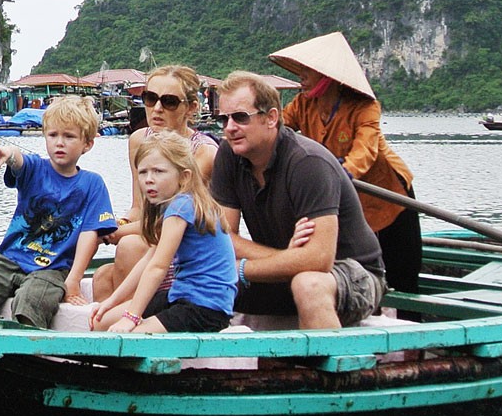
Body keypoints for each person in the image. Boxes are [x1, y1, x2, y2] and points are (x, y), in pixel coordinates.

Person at [210, 71, 388, 330]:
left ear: (271, 118)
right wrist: (289, 257)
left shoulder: (307, 163)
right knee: (193, 276)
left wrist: (241, 269)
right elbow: (223, 239)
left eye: (240, 117)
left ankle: (336, 368)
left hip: (351, 272)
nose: (229, 128)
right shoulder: (229, 154)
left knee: (309, 284)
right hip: (285, 268)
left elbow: (319, 260)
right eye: (222, 119)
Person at [269, 31, 422, 293]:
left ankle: (414, 326)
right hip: (347, 200)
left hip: (388, 196)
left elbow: (366, 151)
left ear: (326, 75)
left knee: (403, 272)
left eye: (307, 71)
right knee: (353, 267)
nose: (301, 77)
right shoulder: (303, 105)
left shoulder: (364, 106)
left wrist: (342, 175)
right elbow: (277, 128)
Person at [0, 95, 118, 328]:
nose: (60, 143)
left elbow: (90, 235)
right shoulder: (35, 168)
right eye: (53, 135)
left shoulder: (92, 184)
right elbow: (19, 161)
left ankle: (26, 349)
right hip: (9, 261)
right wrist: (8, 153)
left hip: (52, 268)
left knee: (32, 301)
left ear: (87, 144)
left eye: (69, 136)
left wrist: (74, 280)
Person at [90, 65, 219, 302]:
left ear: (190, 108)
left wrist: (117, 234)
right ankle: (111, 332)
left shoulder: (203, 153)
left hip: (183, 246)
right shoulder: (140, 140)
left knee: (128, 247)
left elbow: (171, 221)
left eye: (169, 102)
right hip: (151, 234)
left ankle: (131, 322)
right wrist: (113, 225)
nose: (157, 109)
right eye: (150, 99)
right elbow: (140, 207)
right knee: (102, 276)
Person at [90, 130, 237, 334]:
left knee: (124, 336)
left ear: (184, 177)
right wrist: (111, 302)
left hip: (204, 308)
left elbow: (158, 267)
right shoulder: (170, 204)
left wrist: (131, 318)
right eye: (143, 172)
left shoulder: (182, 205)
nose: (149, 179)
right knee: (101, 322)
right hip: (179, 296)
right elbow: (148, 260)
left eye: (158, 171)